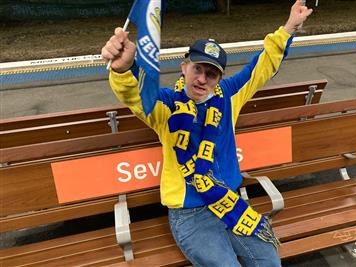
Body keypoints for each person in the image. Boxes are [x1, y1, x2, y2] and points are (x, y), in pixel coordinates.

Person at [102, 1, 312, 266]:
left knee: (269, 259)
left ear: (219, 78)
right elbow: (135, 94)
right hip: (190, 215)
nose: (202, 79)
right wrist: (123, 68)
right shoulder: (165, 105)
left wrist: (289, 27)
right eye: (198, 69)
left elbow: (261, 68)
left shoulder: (229, 96)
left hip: (229, 201)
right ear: (184, 68)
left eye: (211, 74)